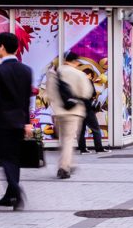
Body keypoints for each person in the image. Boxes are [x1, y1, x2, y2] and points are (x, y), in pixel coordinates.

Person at [0, 31, 33, 211]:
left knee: (5, 159)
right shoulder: (26, 70)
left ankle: (16, 190)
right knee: (14, 158)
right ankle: (9, 196)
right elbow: (26, 100)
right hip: (19, 121)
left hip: (2, 122)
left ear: (2, 47)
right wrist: (27, 123)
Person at [45, 51, 93, 179]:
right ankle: (64, 167)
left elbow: (49, 92)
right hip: (74, 112)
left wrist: (57, 104)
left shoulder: (55, 73)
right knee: (68, 140)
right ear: (75, 62)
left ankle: (68, 163)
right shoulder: (79, 74)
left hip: (58, 112)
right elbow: (87, 93)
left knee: (63, 140)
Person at [74, 56, 105, 155]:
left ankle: (82, 149)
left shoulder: (76, 83)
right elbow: (92, 94)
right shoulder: (88, 82)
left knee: (81, 130)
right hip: (87, 108)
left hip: (78, 108)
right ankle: (99, 148)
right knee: (96, 128)